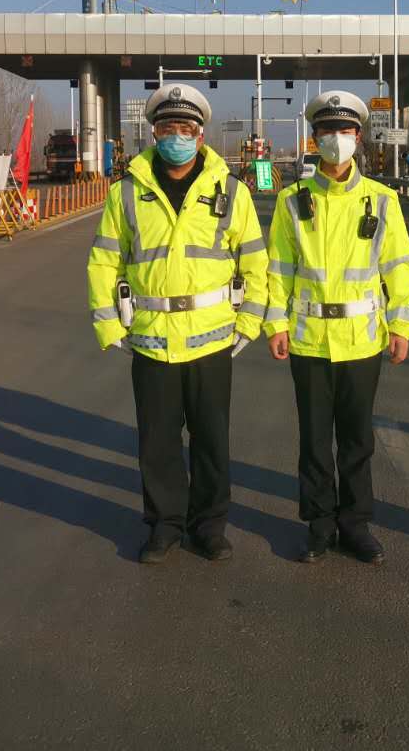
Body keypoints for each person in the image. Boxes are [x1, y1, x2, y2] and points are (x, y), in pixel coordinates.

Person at [86, 84, 268, 565]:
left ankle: (209, 527)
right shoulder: (127, 192)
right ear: (154, 134)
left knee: (211, 441)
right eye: (168, 128)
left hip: (213, 341)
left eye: (185, 129)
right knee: (158, 442)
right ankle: (164, 525)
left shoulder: (232, 192)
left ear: (200, 135)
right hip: (151, 340)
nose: (176, 137)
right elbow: (104, 262)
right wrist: (109, 326)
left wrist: (250, 323)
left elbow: (255, 261)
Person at [264, 90, 409, 565]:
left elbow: (399, 267)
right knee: (314, 441)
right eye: (328, 130)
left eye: (346, 130)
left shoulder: (382, 201)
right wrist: (275, 322)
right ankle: (319, 525)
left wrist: (401, 323)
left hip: (362, 341)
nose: (337, 138)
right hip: (309, 340)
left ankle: (355, 525)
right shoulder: (293, 201)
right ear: (315, 139)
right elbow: (279, 268)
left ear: (359, 137)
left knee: (357, 442)